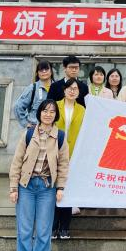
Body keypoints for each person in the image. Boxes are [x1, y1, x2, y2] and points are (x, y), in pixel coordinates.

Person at [9, 99, 69, 251]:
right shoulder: (28, 134)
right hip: (26, 187)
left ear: (56, 115)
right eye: (45, 111)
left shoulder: (60, 136)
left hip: (46, 188)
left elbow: (63, 165)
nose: (48, 114)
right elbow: (17, 161)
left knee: (43, 232)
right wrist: (13, 188)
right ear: (39, 113)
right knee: (24, 231)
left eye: (52, 111)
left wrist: (60, 188)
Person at [51, 79, 85, 239]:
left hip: (74, 155)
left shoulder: (82, 109)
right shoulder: (54, 106)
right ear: (64, 90)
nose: (72, 91)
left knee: (68, 191)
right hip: (54, 152)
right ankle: (52, 226)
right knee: (54, 190)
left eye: (75, 89)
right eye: (69, 88)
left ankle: (64, 227)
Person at [14, 60, 55, 128]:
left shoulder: (58, 87)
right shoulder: (32, 88)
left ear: (51, 71)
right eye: (41, 70)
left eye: (46, 69)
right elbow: (18, 106)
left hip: (54, 128)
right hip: (36, 128)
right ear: (37, 73)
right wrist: (25, 123)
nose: (44, 71)